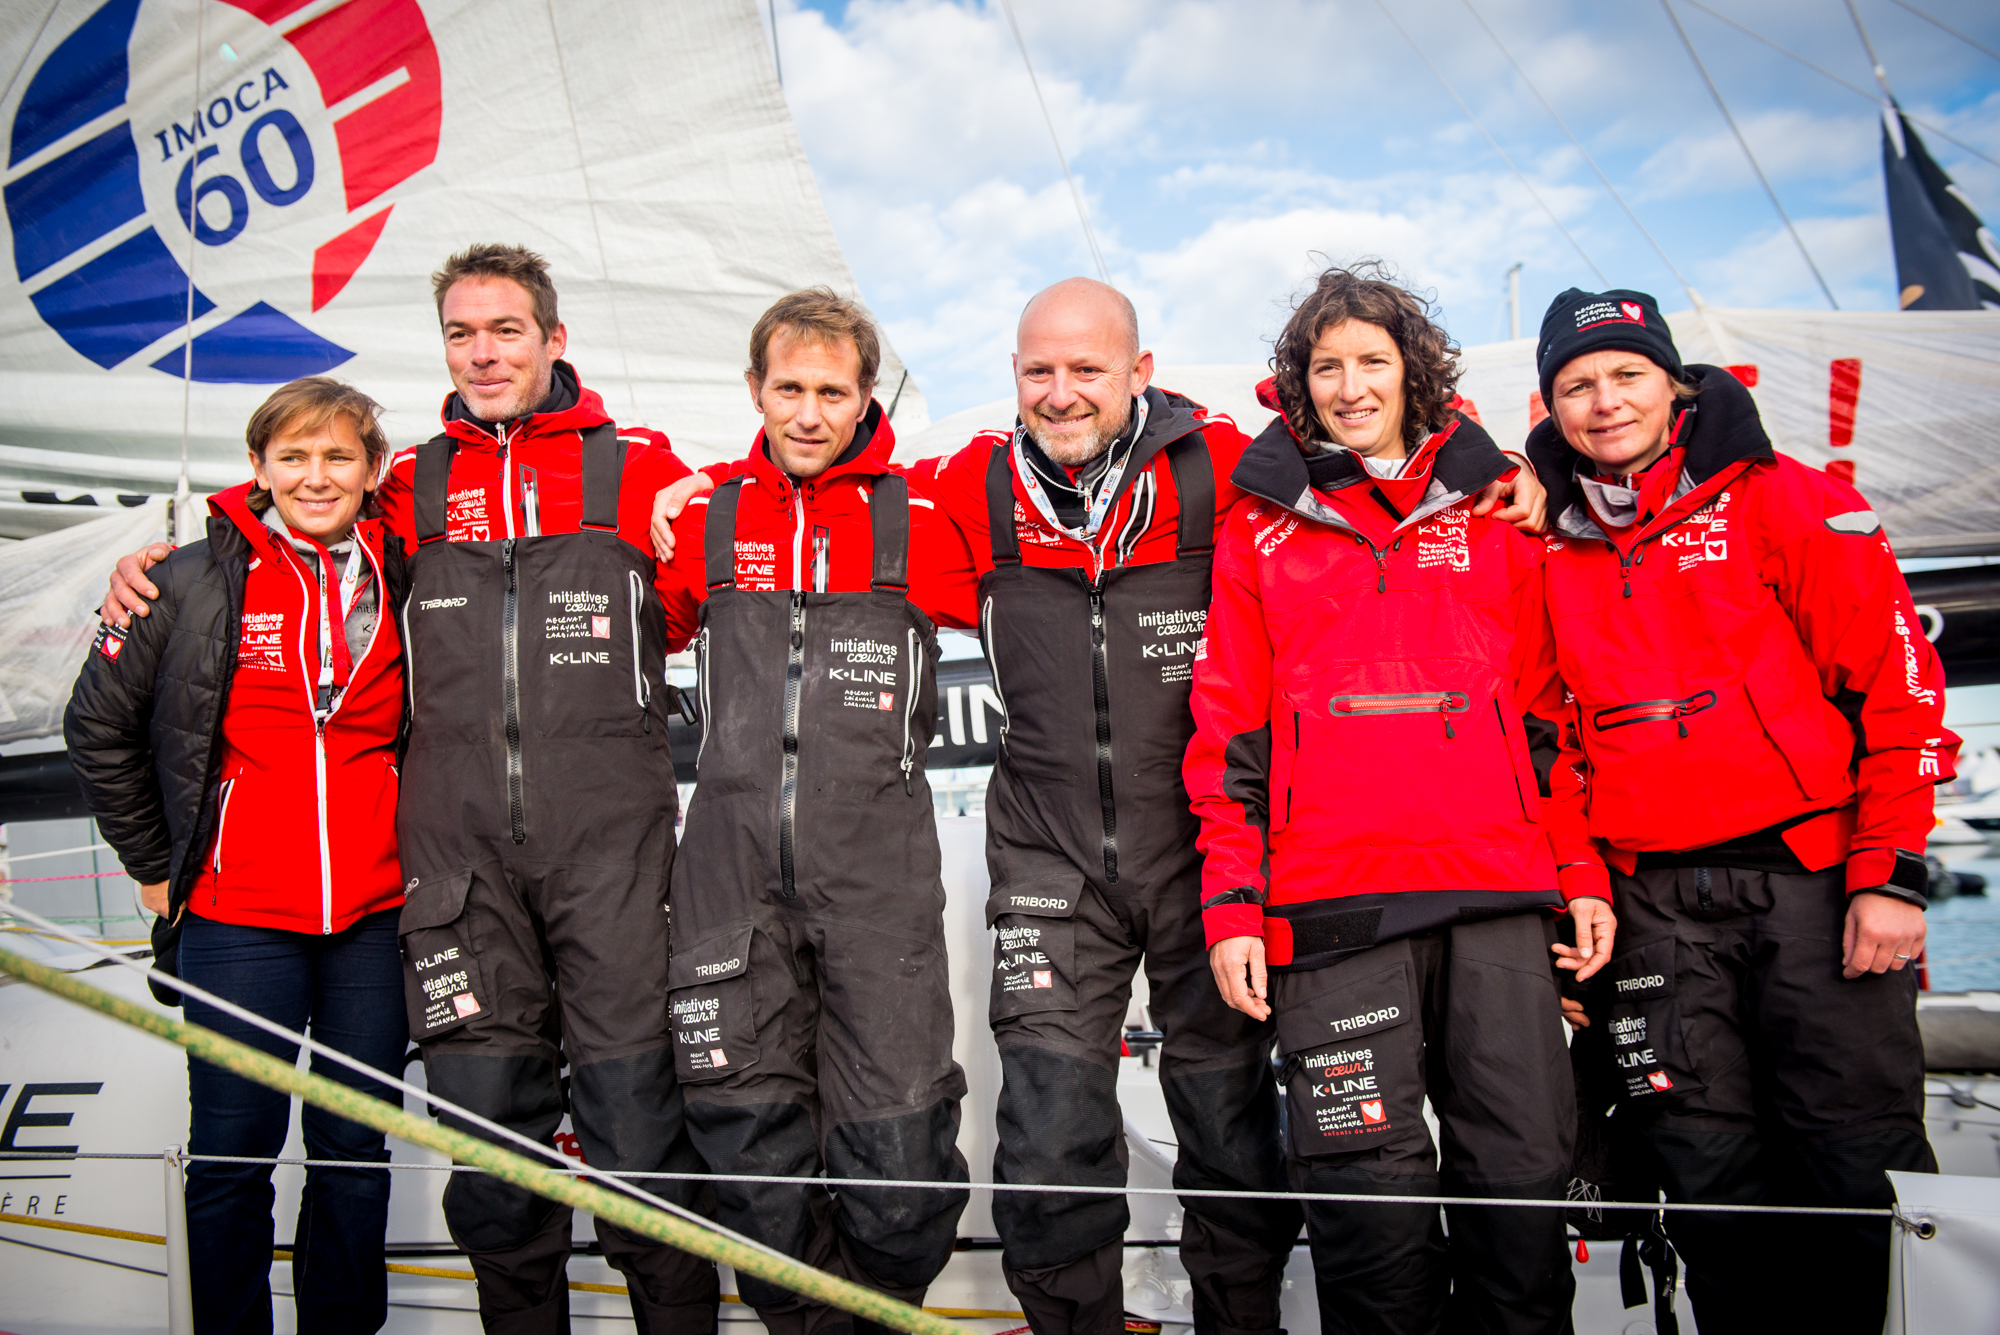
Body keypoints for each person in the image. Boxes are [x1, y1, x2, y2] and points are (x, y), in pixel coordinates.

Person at [649, 276, 1552, 1335]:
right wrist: (701, 486)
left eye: (1087, 368)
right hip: (1050, 857)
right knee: (1046, 1137)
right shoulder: (968, 485)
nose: (1061, 392)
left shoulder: (1220, 466)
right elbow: (827, 475)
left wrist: (1498, 462)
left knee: (1226, 1131)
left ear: (1140, 372)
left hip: (1198, 855)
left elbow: (1357, 436)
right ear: (1014, 377)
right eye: (1039, 370)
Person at [102, 245, 718, 1335]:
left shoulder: (639, 471)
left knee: (637, 1134)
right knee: (493, 1154)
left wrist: (712, 502)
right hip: (459, 881)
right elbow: (298, 512)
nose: (484, 354)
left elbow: (716, 577)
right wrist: (165, 560)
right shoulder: (411, 488)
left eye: (507, 330)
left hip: (610, 869)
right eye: (461, 334)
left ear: (553, 339)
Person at [1186, 264, 1608, 1335]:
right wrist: (1232, 905)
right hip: (1329, 901)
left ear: (1414, 374)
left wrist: (1578, 871)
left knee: (1519, 1185)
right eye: (1326, 367)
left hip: (1496, 891)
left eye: (1371, 361)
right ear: (1299, 384)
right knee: (1366, 1214)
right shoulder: (1256, 526)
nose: (1350, 386)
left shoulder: (1497, 508)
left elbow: (1545, 716)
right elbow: (1227, 731)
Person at [1526, 287, 1954, 1335]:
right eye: (1576, 385)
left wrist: (1890, 875)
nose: (1604, 401)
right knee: (1702, 1170)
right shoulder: (1539, 546)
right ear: (1551, 409)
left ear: (1674, 385)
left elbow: (1898, 692)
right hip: (1650, 907)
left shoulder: (1789, 501)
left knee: (1857, 1158)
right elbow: (1547, 749)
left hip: (1814, 887)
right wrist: (1576, 896)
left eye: (1626, 374)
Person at [654, 288, 977, 1335]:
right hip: (728, 886)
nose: (807, 414)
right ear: (754, 389)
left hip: (876, 885)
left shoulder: (923, 518)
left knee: (900, 1154)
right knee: (750, 1155)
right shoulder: (700, 516)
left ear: (866, 396)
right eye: (787, 388)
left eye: (831, 393)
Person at [66, 378, 409, 1334]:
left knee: (354, 1152)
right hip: (236, 917)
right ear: (258, 467)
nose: (316, 477)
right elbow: (96, 727)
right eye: (293, 457)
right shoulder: (186, 578)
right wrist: (153, 867)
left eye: (338, 456)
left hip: (375, 916)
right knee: (231, 1156)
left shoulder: (408, 570)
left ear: (372, 471)